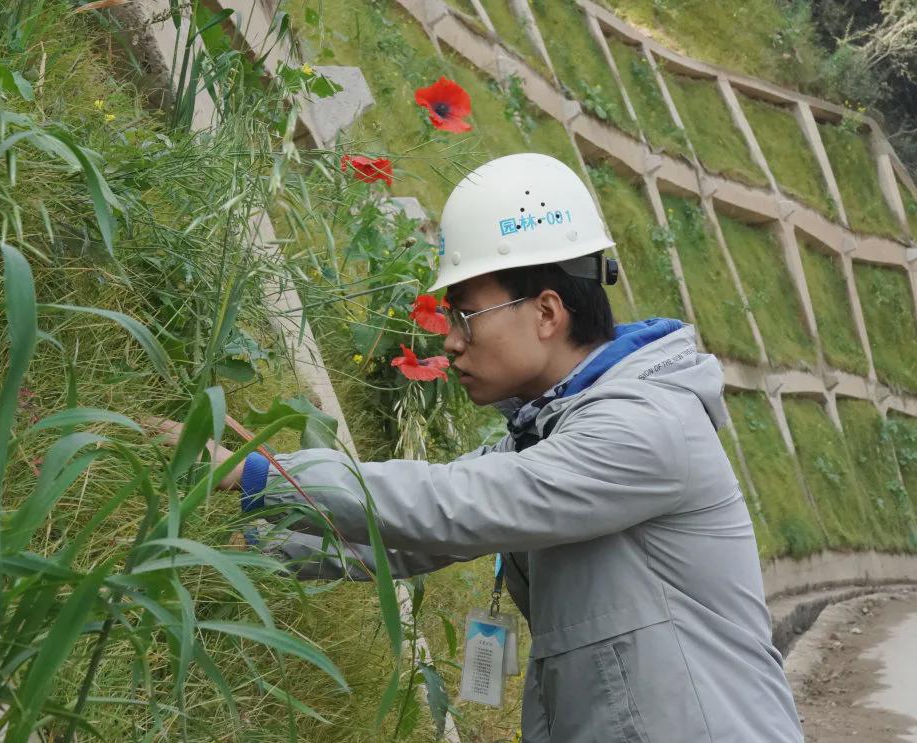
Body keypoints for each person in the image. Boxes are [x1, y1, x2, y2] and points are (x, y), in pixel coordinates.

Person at [155, 153, 804, 742]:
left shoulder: (645, 431)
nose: (452, 342)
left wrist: (256, 474)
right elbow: (416, 538)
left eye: (465, 314)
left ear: (547, 312)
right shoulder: (557, 432)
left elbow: (457, 503)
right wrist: (235, 547)